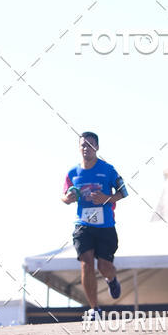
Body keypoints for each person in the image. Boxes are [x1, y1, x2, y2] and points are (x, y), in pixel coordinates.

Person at [62, 132, 128, 320]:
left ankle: (111, 279)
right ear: (79, 147)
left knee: (104, 266)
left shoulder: (108, 169)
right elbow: (64, 196)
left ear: (97, 147)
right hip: (83, 225)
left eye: (90, 145)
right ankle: (94, 309)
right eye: (83, 145)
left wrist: (107, 198)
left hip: (105, 225)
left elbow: (123, 191)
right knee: (86, 262)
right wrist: (68, 198)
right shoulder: (72, 173)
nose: (86, 148)